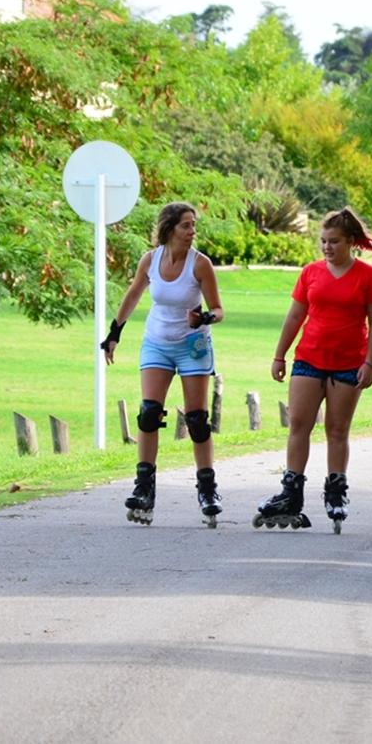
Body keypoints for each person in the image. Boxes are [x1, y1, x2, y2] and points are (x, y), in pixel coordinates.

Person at [257, 207, 372, 533]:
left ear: (351, 243)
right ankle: (291, 493)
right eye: (323, 241)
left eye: (335, 241)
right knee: (298, 424)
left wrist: (369, 363)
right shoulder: (311, 273)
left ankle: (336, 491)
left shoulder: (368, 277)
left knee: (337, 429)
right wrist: (279, 355)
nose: (327, 247)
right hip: (308, 359)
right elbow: (294, 317)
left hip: (349, 364)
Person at [100, 201, 225, 527]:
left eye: (193, 225)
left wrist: (204, 318)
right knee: (149, 413)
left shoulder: (201, 265)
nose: (192, 231)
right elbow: (133, 294)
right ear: (169, 228)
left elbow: (218, 309)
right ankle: (144, 490)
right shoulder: (150, 260)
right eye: (186, 225)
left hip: (192, 346)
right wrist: (114, 333)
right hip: (156, 343)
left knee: (197, 419)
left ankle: (208, 489)